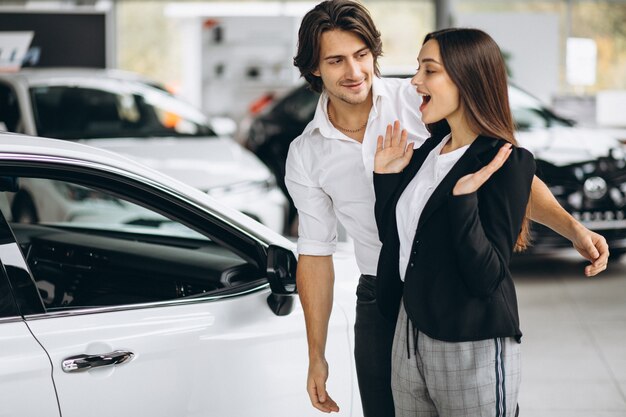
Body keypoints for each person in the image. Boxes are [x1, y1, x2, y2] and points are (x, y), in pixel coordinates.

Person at [285, 1, 609, 415]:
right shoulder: (307, 152)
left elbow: (501, 168)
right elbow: (315, 253)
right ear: (314, 68)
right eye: (336, 61)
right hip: (380, 295)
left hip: (449, 287)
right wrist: (317, 354)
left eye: (362, 55)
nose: (354, 72)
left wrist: (573, 229)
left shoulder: (420, 101)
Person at [374, 27, 535, 416]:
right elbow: (398, 242)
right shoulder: (427, 151)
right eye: (418, 69)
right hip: (408, 336)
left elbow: (487, 275)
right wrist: (386, 181)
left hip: (470, 342)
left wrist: (464, 201)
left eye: (429, 70)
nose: (415, 81)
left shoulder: (507, 162)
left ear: (467, 78)